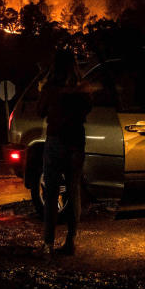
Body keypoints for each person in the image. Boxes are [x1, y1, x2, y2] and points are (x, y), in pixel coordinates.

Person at [36, 48, 95, 256]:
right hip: (76, 142)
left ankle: (48, 243)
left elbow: (40, 111)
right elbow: (88, 108)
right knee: (73, 190)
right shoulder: (83, 89)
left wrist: (44, 90)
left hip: (55, 141)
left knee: (51, 193)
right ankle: (71, 241)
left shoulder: (51, 88)